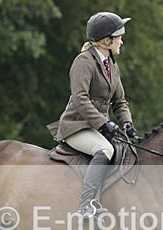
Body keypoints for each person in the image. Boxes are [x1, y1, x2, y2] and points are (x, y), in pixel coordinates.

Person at [47, 11, 137, 219]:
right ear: (107, 41)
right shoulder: (84, 61)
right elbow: (80, 99)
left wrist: (127, 123)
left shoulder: (111, 65)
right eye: (119, 37)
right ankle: (86, 206)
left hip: (96, 128)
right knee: (105, 149)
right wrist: (104, 124)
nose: (122, 42)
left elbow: (120, 101)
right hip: (76, 126)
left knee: (126, 150)